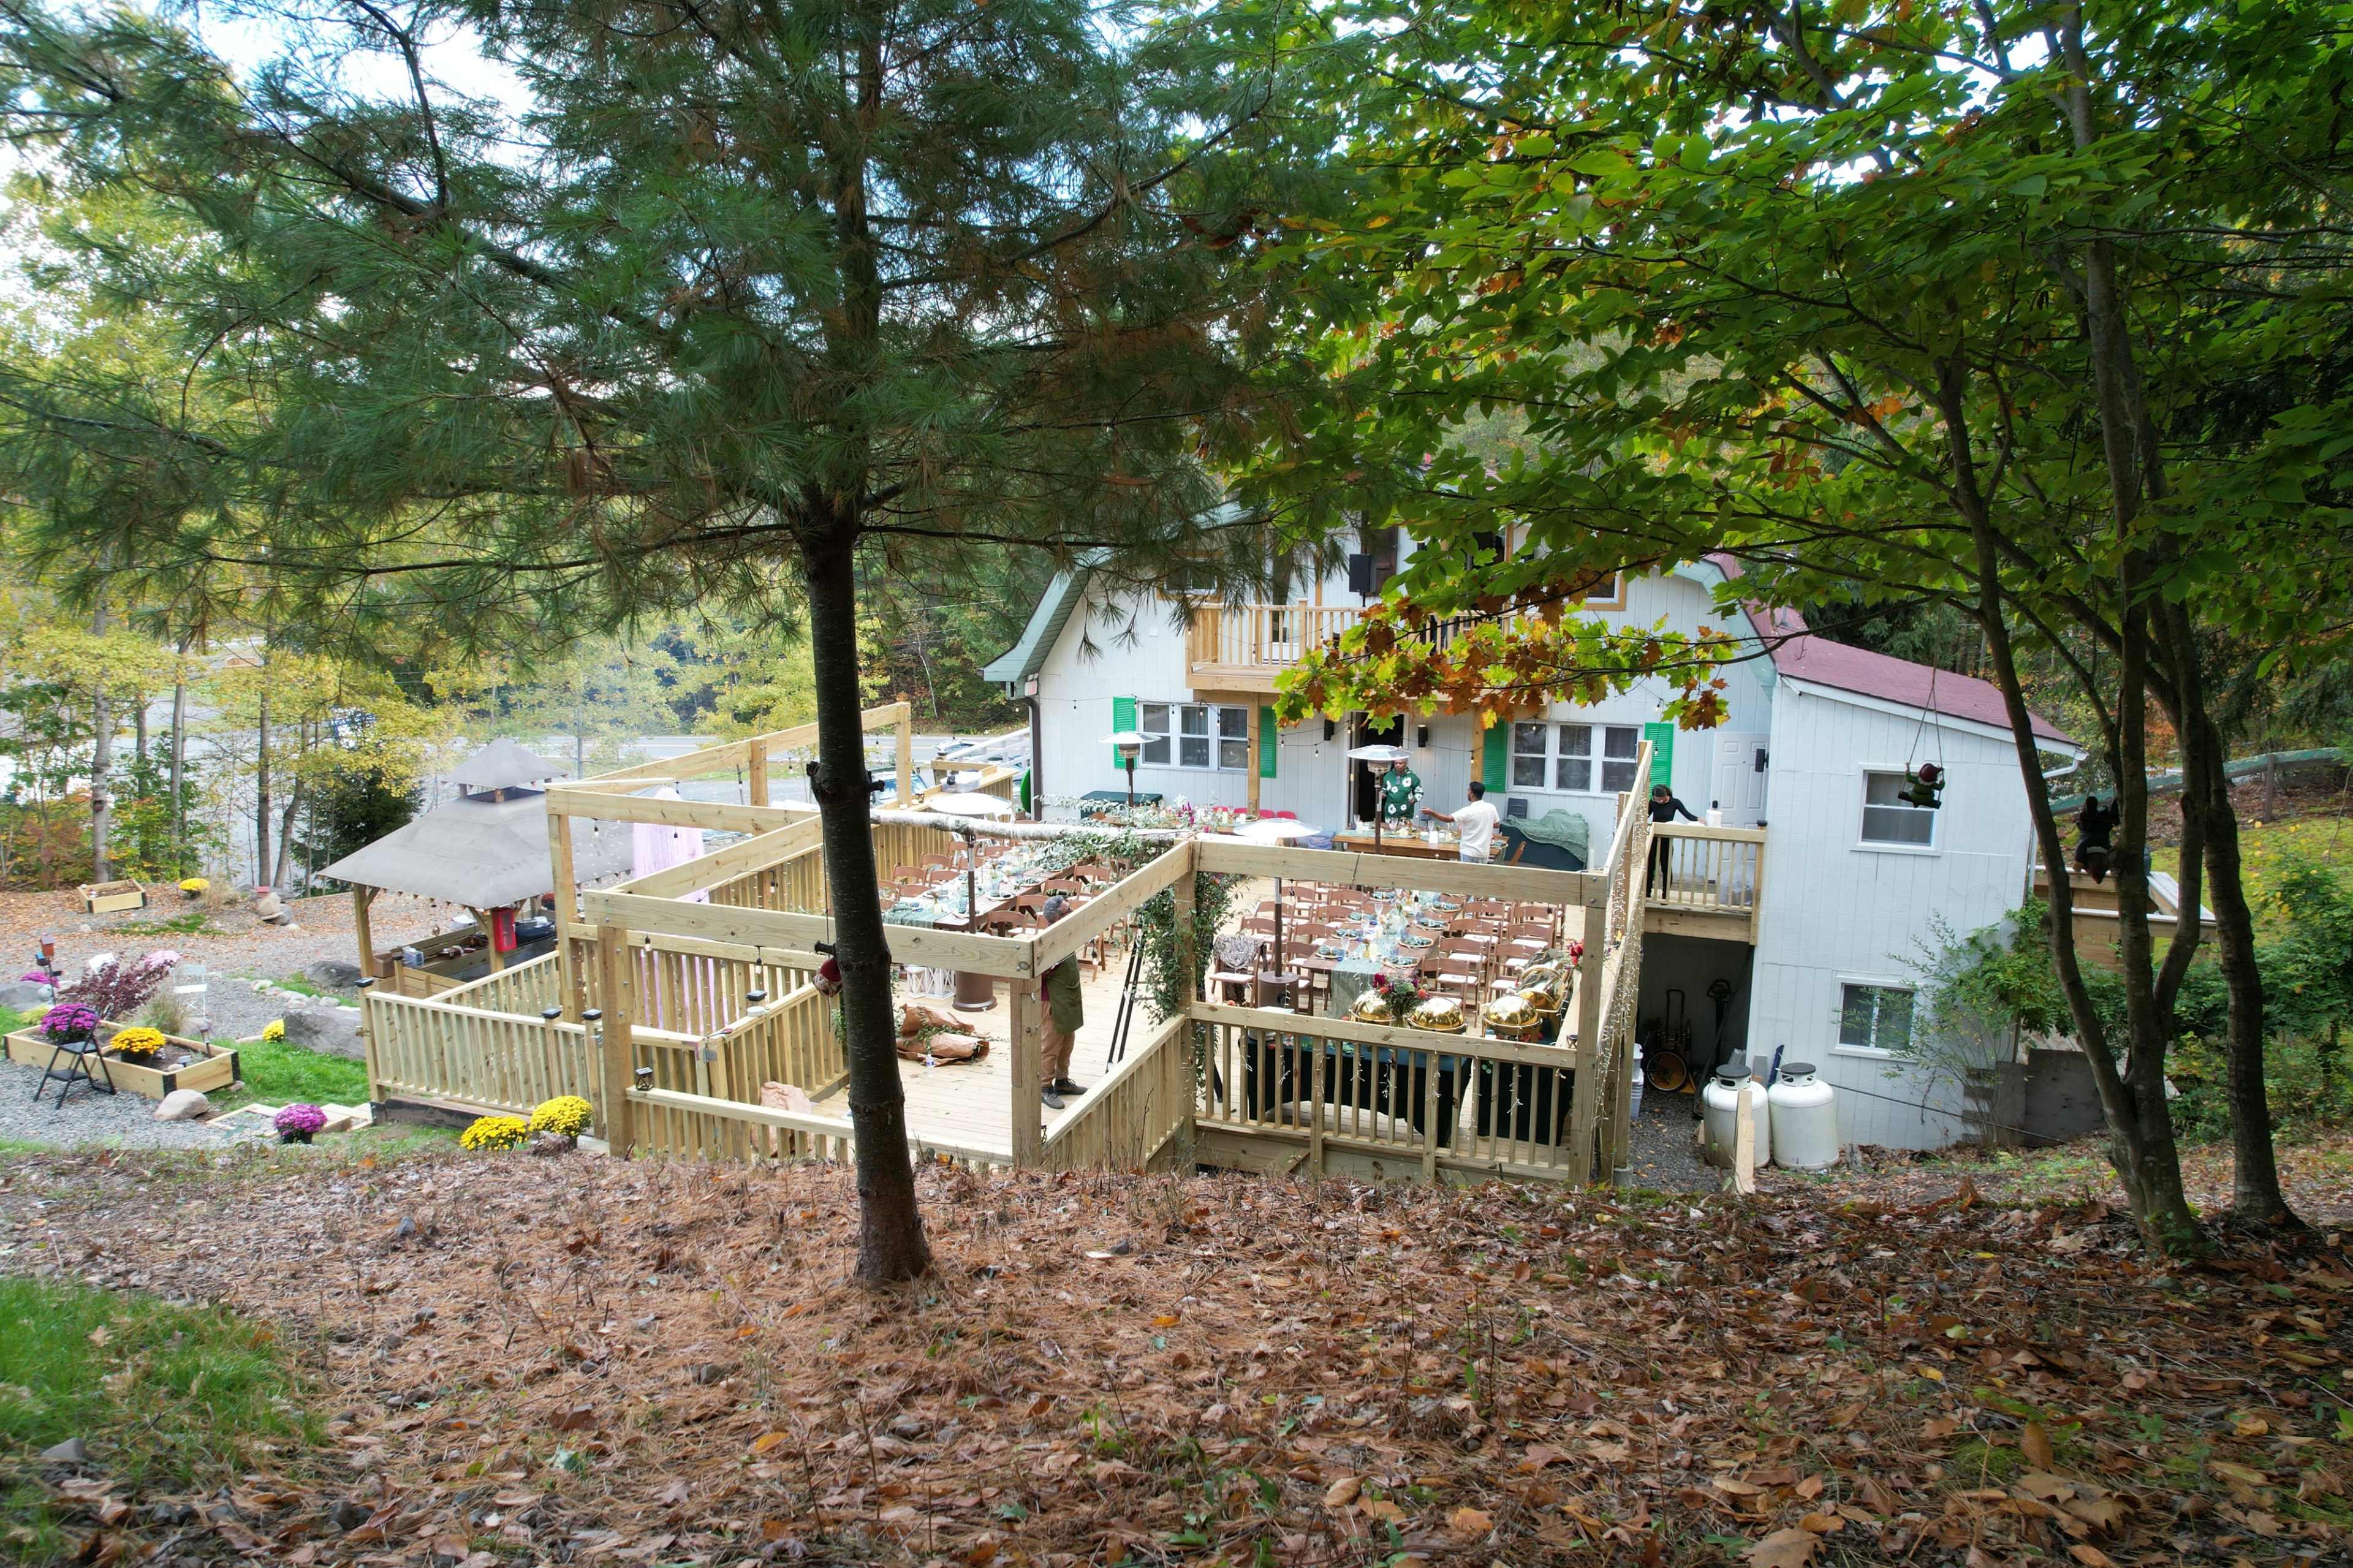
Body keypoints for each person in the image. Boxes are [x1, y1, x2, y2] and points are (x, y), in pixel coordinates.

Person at [1037, 893, 1086, 1108]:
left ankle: (1063, 1081)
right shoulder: (1049, 940)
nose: (1073, 913)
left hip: (1068, 997)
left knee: (1067, 1043)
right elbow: (1040, 971)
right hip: (1052, 1002)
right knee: (1050, 1046)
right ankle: (1045, 1087)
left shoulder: (1067, 935)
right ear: (1057, 919)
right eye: (1068, 911)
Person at [1422, 780, 1502, 863]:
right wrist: (1484, 824)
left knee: (1466, 875)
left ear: (1472, 794)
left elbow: (1448, 819)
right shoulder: (1491, 808)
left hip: (1469, 851)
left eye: (1468, 790)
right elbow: (1497, 824)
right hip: (1484, 852)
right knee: (1479, 875)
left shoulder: (1468, 811)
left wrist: (1431, 812)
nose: (1467, 792)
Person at [1645, 784, 1699, 895]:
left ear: (1666, 796)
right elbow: (1645, 815)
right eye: (1656, 799)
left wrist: (1698, 819)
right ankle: (1647, 892)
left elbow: (1687, 815)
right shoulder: (1653, 803)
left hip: (1667, 839)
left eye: (1660, 800)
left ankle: (1666, 894)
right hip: (1654, 838)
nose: (1658, 802)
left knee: (1666, 866)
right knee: (1650, 866)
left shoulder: (1675, 803)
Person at [2075, 794, 2117, 883]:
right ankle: (2117, 801)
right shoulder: (2107, 864)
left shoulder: (2086, 864)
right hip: (2103, 829)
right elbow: (2111, 850)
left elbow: (2082, 846)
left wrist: (2078, 861)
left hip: (2089, 828)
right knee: (2113, 811)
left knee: (2091, 801)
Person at [1376, 754, 1422, 828]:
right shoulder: (1388, 776)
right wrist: (1382, 794)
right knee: (1390, 834)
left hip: (1406, 812)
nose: (1398, 765)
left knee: (1404, 835)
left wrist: (1415, 799)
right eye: (1396, 763)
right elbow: (1383, 789)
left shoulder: (1412, 777)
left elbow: (1419, 792)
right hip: (1391, 812)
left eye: (1401, 763)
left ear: (1406, 764)